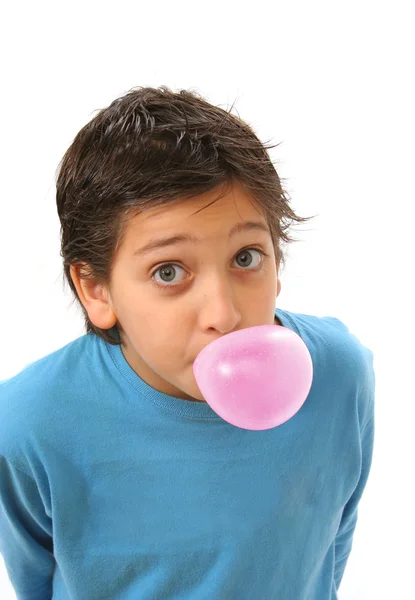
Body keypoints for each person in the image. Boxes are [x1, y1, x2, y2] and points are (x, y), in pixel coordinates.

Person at [0, 86, 375, 599]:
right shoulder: (27, 424)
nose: (223, 314)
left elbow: (331, 541)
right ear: (96, 288)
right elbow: (34, 579)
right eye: (169, 271)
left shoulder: (337, 374)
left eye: (246, 257)